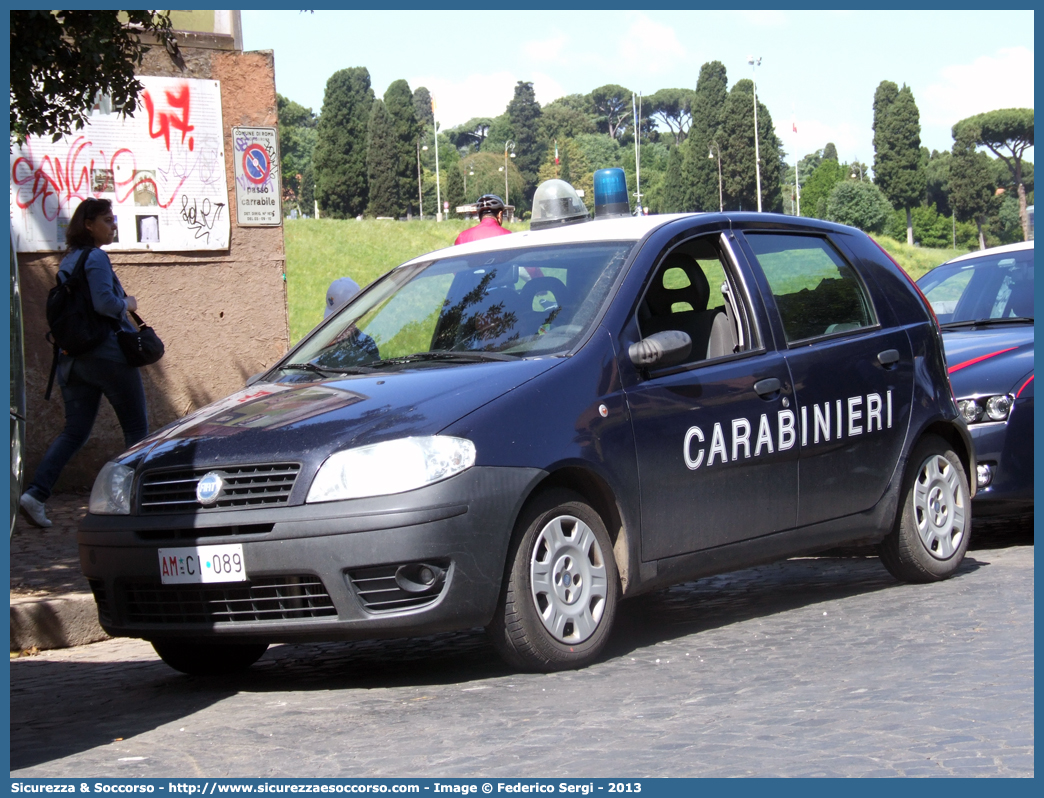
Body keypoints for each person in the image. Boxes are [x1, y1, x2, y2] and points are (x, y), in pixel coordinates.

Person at [19, 198, 149, 528]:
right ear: (88, 224)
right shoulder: (96, 257)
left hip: (71, 361)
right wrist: (127, 303)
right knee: (136, 429)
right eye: (107, 220)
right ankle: (134, 501)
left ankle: (35, 494)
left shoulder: (70, 260)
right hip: (106, 357)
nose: (113, 225)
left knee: (74, 431)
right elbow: (105, 303)